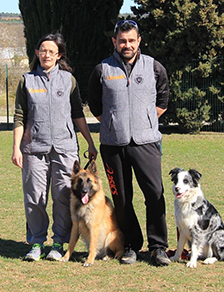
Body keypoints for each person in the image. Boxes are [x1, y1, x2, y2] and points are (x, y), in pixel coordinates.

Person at [88, 20, 170, 266]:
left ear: (139, 41)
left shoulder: (154, 67)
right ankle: (132, 246)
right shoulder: (102, 69)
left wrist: (144, 122)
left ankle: (158, 247)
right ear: (115, 41)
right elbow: (95, 105)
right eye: (122, 40)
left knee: (154, 194)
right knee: (121, 198)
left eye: (131, 40)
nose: (127, 45)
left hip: (146, 143)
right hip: (113, 145)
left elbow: (163, 100)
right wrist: (115, 124)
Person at [12, 33, 98, 262]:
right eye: (42, 50)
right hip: (34, 149)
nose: (46, 54)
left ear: (59, 55)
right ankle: (37, 243)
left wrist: (89, 142)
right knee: (35, 198)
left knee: (62, 197)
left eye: (51, 51)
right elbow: (19, 116)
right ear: (37, 53)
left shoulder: (68, 80)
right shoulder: (27, 80)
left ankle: (59, 243)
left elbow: (77, 113)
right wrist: (16, 148)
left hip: (65, 148)